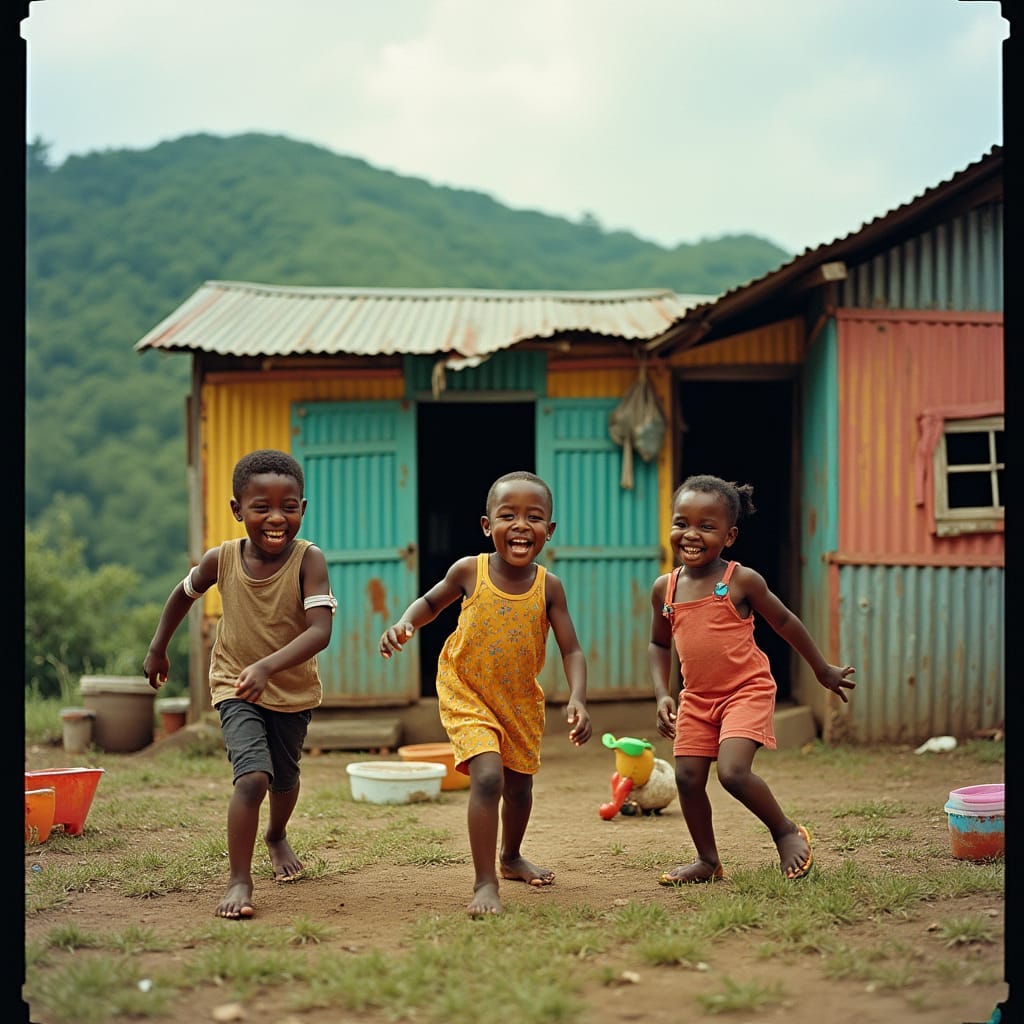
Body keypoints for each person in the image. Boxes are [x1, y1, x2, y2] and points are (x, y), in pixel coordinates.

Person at [379, 470, 591, 916]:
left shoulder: (548, 586)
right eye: (507, 515)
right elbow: (431, 604)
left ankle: (511, 857)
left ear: (548, 531)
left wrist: (578, 696)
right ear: (486, 525)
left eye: (533, 517)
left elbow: (571, 649)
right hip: (466, 689)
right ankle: (484, 884)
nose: (520, 525)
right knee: (489, 778)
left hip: (518, 700)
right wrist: (404, 624)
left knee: (518, 789)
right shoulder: (469, 570)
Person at [144, 449, 336, 919]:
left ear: (302, 509)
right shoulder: (222, 559)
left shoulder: (309, 561)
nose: (276, 518)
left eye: (288, 507)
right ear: (237, 510)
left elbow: (319, 631)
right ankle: (239, 879)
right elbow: (182, 594)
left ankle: (276, 834)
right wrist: (158, 646)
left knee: (285, 779)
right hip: (235, 683)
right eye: (261, 507)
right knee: (253, 777)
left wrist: (269, 666)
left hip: (290, 690)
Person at [648, 474, 855, 884]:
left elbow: (784, 621)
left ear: (729, 536)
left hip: (747, 691)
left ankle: (785, 831)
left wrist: (821, 669)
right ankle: (708, 861)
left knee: (732, 773)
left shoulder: (741, 580)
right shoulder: (664, 589)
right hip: (698, 698)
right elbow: (658, 645)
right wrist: (661, 694)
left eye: (707, 527)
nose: (691, 534)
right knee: (688, 779)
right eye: (681, 523)